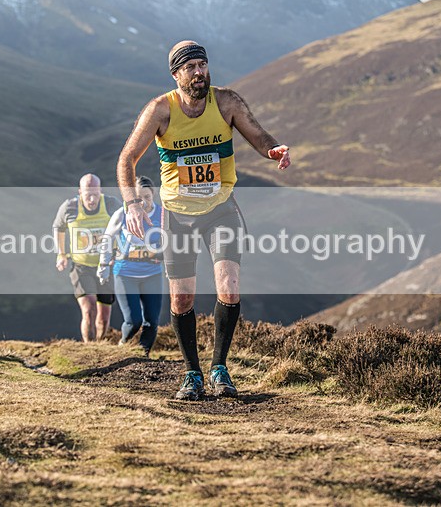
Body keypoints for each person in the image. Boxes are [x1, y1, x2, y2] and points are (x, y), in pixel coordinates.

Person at [116, 40, 291, 400]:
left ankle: (219, 368)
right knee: (182, 300)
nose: (200, 73)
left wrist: (274, 150)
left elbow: (258, 136)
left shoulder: (226, 101)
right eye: (191, 67)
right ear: (176, 74)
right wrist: (132, 204)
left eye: (203, 65)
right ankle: (192, 373)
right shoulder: (160, 111)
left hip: (221, 209)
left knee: (229, 287)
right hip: (178, 216)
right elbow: (127, 159)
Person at [97, 176, 164, 357]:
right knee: (133, 321)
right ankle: (123, 345)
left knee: (152, 321)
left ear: (153, 195)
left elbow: (174, 240)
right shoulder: (123, 213)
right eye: (138, 197)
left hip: (152, 274)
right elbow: (107, 238)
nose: (143, 201)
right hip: (125, 273)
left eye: (147, 197)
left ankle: (142, 355)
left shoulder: (163, 214)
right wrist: (103, 265)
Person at [53, 173, 121, 342]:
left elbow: (125, 226)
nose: (91, 199)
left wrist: (120, 252)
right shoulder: (69, 207)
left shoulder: (112, 204)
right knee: (89, 307)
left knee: (104, 315)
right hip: (81, 266)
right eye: (87, 195)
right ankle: (89, 348)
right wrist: (61, 254)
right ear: (79, 192)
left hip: (106, 265)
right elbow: (58, 227)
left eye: (95, 195)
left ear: (100, 191)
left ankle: (99, 345)